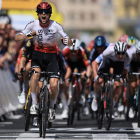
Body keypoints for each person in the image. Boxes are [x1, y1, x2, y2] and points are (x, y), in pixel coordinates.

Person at [15, 2, 72, 122]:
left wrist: (66, 40)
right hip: (38, 56)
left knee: (54, 84)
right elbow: (17, 37)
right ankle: (34, 104)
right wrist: (29, 34)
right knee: (35, 75)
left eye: (46, 12)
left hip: (52, 57)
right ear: (38, 14)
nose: (43, 14)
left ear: (50, 14)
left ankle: (51, 107)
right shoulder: (33, 24)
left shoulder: (56, 25)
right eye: (41, 12)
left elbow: (70, 42)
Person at [91, 41, 131, 118]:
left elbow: (125, 70)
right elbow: (94, 63)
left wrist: (124, 77)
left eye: (122, 53)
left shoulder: (127, 55)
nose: (120, 56)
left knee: (117, 85)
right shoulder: (109, 50)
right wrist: (96, 76)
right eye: (118, 53)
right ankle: (95, 98)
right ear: (115, 51)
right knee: (99, 81)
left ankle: (112, 107)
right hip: (107, 61)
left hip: (118, 65)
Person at [62, 38, 91, 117]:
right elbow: (60, 63)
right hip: (69, 64)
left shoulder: (82, 52)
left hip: (80, 64)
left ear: (78, 49)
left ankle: (84, 101)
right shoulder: (65, 51)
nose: (74, 53)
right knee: (66, 84)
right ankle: (65, 108)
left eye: (76, 51)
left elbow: (88, 67)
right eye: (72, 51)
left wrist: (87, 77)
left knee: (83, 77)